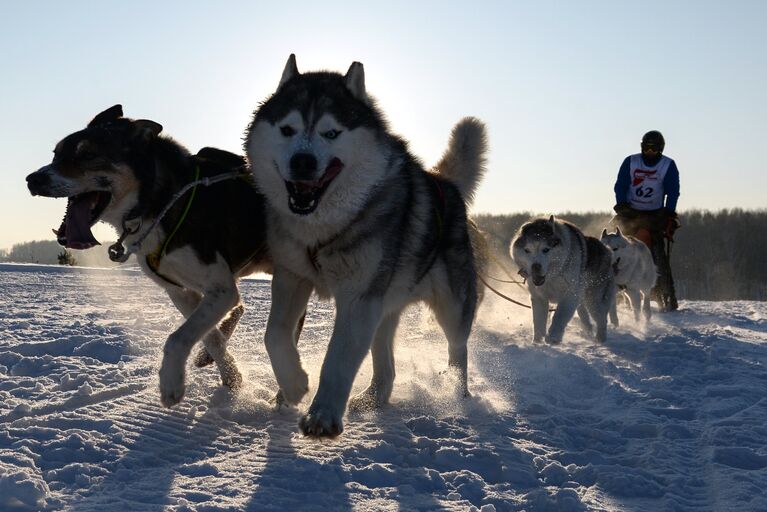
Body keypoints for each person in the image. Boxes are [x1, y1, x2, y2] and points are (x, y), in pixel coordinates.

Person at [612, 130, 680, 311]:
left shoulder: (668, 165)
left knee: (655, 251)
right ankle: (610, 292)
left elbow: (673, 190)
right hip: (630, 212)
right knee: (611, 242)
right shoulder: (631, 161)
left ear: (660, 149)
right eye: (646, 148)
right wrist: (621, 203)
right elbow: (621, 184)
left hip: (654, 214)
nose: (650, 152)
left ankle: (664, 294)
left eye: (654, 149)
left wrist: (669, 212)